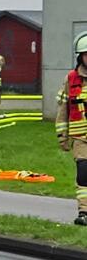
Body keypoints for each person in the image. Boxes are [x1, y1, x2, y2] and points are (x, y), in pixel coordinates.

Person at [54, 32, 87, 227]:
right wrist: (62, 135)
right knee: (83, 172)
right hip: (81, 137)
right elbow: (63, 109)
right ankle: (84, 211)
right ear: (80, 57)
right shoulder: (71, 79)